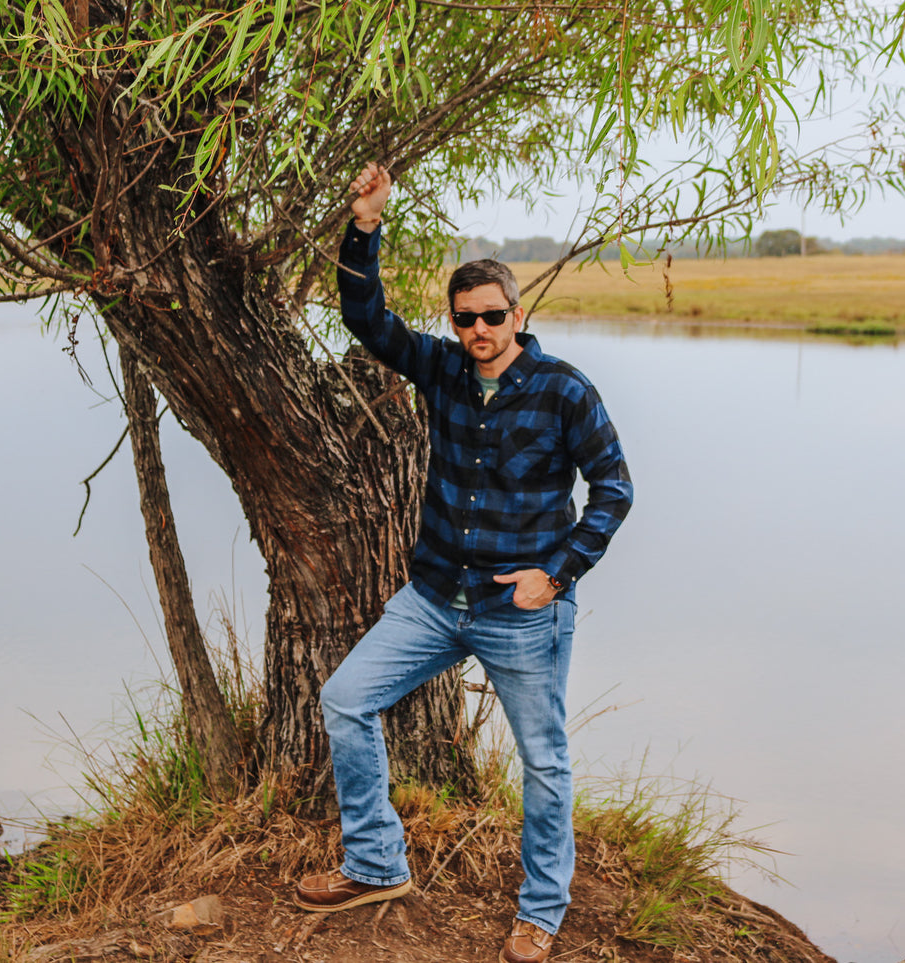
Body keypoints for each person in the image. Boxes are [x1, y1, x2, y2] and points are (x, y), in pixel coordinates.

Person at [293, 163, 633, 963]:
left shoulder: (563, 391)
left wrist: (559, 573)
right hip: (434, 597)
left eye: (490, 317)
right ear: (453, 324)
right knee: (344, 699)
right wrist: (364, 229)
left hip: (521, 611)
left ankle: (540, 912)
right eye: (464, 320)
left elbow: (613, 488)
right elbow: (364, 319)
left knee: (543, 763)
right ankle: (377, 863)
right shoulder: (441, 368)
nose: (477, 331)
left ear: (518, 314)